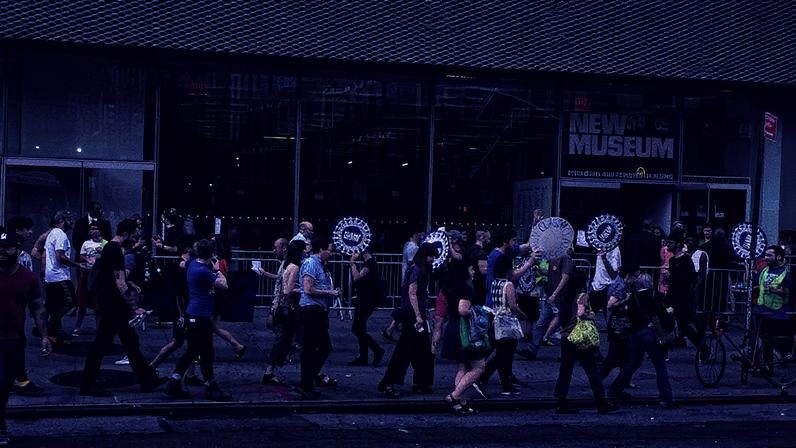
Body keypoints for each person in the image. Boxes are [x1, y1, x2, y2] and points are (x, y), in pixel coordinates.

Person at [79, 219, 167, 397]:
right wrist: (135, 307)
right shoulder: (114, 250)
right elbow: (119, 282)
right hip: (113, 305)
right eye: (134, 234)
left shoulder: (111, 249)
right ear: (126, 233)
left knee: (130, 342)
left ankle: (146, 379)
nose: (135, 238)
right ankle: (87, 383)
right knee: (102, 344)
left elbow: (116, 279)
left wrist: (130, 284)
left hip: (112, 304)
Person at [164, 238, 232, 401]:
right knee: (206, 352)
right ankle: (211, 386)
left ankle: (174, 382)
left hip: (193, 314)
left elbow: (183, 264)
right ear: (211, 254)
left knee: (193, 351)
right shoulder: (204, 271)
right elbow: (224, 286)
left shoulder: (193, 264)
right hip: (200, 316)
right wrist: (217, 270)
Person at [0, 232, 51, 445]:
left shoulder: (28, 278)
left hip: (12, 340)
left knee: (2, 385)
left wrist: (45, 337)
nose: (2, 252)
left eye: (7, 248)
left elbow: (38, 308)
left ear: (18, 249)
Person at [378, 242, 438, 399]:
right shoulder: (417, 270)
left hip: (414, 314)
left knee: (420, 350)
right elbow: (412, 293)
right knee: (406, 350)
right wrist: (419, 315)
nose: (432, 259)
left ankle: (420, 382)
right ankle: (392, 382)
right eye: (431, 256)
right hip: (413, 315)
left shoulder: (417, 268)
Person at [608, 273, 676, 409]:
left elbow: (626, 313)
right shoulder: (655, 295)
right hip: (650, 333)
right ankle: (666, 397)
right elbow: (661, 314)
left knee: (633, 362)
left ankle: (616, 388)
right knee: (660, 366)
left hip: (635, 334)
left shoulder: (632, 297)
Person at [553, 290, 618, 415]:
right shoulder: (581, 296)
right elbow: (580, 313)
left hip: (566, 337)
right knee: (592, 371)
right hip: (579, 338)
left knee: (565, 371)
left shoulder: (564, 298)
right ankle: (602, 403)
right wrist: (590, 316)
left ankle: (561, 401)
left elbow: (558, 318)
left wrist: (547, 334)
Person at [476, 254, 528, 397]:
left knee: (500, 353)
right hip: (507, 322)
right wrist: (523, 315)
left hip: (495, 319)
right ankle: (485, 377)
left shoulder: (494, 283)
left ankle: (505, 384)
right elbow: (512, 305)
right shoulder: (508, 285)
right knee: (504, 355)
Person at [295, 237, 339, 399]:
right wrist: (330, 293)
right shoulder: (311, 264)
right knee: (312, 349)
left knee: (322, 347)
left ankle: (308, 381)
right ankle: (306, 383)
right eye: (329, 250)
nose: (331, 253)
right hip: (311, 311)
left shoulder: (320, 265)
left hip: (318, 311)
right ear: (321, 250)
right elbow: (308, 288)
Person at [440, 261, 484, 415]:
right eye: (471, 268)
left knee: (463, 366)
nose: (474, 272)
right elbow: (463, 310)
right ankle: (454, 396)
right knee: (479, 366)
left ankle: (460, 402)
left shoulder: (451, 288)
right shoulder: (466, 289)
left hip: (453, 327)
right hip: (464, 330)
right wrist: (478, 310)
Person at [262, 239, 306, 385]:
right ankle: (270, 370)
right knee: (285, 340)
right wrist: (306, 290)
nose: (306, 252)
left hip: (285, 307)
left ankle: (282, 358)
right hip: (289, 308)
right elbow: (288, 290)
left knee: (290, 339)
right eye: (304, 250)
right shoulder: (294, 267)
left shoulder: (288, 265)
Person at [44, 210, 87, 343]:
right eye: (69, 219)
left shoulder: (52, 233)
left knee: (55, 304)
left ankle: (54, 331)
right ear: (62, 220)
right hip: (59, 276)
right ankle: (51, 327)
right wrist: (78, 265)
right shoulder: (61, 235)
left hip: (51, 275)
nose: (72, 222)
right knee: (70, 301)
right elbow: (60, 257)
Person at [520, 249, 571, 360]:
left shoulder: (565, 257)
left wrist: (554, 294)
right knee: (541, 322)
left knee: (564, 325)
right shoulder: (552, 258)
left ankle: (566, 354)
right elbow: (550, 273)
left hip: (560, 297)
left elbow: (565, 278)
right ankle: (532, 350)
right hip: (550, 296)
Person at [752, 245, 792, 375]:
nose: (766, 258)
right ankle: (764, 366)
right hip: (761, 309)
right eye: (765, 255)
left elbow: (787, 292)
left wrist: (776, 290)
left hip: (776, 312)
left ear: (779, 257)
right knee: (760, 338)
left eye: (769, 255)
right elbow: (757, 284)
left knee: (769, 339)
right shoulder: (764, 270)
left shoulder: (786, 273)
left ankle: (779, 357)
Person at [600, 264, 639, 380]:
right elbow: (610, 304)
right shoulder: (620, 286)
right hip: (617, 325)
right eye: (635, 277)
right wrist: (625, 300)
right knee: (614, 355)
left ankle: (623, 380)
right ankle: (599, 378)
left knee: (625, 355)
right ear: (629, 275)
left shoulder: (620, 283)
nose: (636, 280)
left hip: (619, 324)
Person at [348, 251, 386, 366]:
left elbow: (357, 277)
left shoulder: (369, 263)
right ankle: (363, 356)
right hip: (366, 299)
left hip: (366, 300)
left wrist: (352, 263)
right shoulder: (369, 263)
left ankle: (377, 350)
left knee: (356, 328)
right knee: (361, 328)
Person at [73, 223, 108, 336]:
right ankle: (77, 327)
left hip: (98, 276)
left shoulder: (106, 243)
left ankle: (99, 329)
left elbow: (108, 257)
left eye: (95, 229)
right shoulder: (86, 243)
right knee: (82, 302)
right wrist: (88, 260)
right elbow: (81, 256)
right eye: (91, 229)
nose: (93, 231)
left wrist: (100, 254)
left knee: (97, 304)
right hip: (87, 274)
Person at [665, 239, 700, 348]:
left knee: (684, 323)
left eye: (671, 242)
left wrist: (673, 278)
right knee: (675, 321)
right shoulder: (672, 260)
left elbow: (691, 277)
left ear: (678, 244)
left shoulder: (686, 259)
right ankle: (677, 340)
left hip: (683, 296)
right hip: (673, 295)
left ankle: (702, 346)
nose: (668, 245)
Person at [589, 246, 621, 317]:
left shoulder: (615, 250)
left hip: (608, 287)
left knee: (608, 318)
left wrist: (604, 258)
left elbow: (613, 275)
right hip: (596, 285)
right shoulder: (600, 246)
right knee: (590, 315)